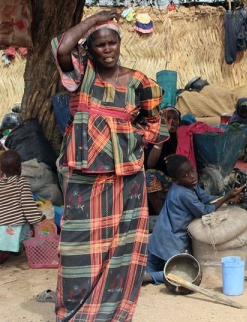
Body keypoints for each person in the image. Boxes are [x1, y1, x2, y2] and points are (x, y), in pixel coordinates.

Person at [52, 10, 169, 321]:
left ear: (120, 44)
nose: (107, 49)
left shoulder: (139, 82)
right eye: (100, 44)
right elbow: (62, 47)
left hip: (127, 179)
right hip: (84, 177)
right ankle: (76, 313)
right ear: (90, 48)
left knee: (122, 251)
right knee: (77, 251)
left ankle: (112, 313)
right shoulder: (82, 76)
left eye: (112, 43)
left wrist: (127, 134)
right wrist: (93, 21)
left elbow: (158, 126)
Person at [143, 155, 243, 284]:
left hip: (159, 236)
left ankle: (144, 275)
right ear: (175, 180)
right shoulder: (182, 193)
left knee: (148, 267)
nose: (191, 176)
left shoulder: (191, 186)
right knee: (182, 273)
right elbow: (204, 210)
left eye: (192, 170)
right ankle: (149, 278)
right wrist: (226, 197)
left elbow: (206, 199)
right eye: (185, 175)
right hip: (172, 239)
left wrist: (227, 197)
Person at [0, 150, 43, 271]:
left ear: (1, 168)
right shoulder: (22, 183)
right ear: (20, 167)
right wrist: (37, 218)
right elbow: (27, 205)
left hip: (0, 223)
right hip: (17, 223)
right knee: (28, 236)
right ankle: (33, 256)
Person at [145, 107, 181, 216]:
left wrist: (178, 158)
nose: (172, 121)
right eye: (168, 118)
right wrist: (163, 135)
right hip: (159, 185)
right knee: (150, 175)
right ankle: (161, 216)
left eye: (175, 118)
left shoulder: (183, 137)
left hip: (179, 181)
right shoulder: (152, 137)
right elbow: (150, 164)